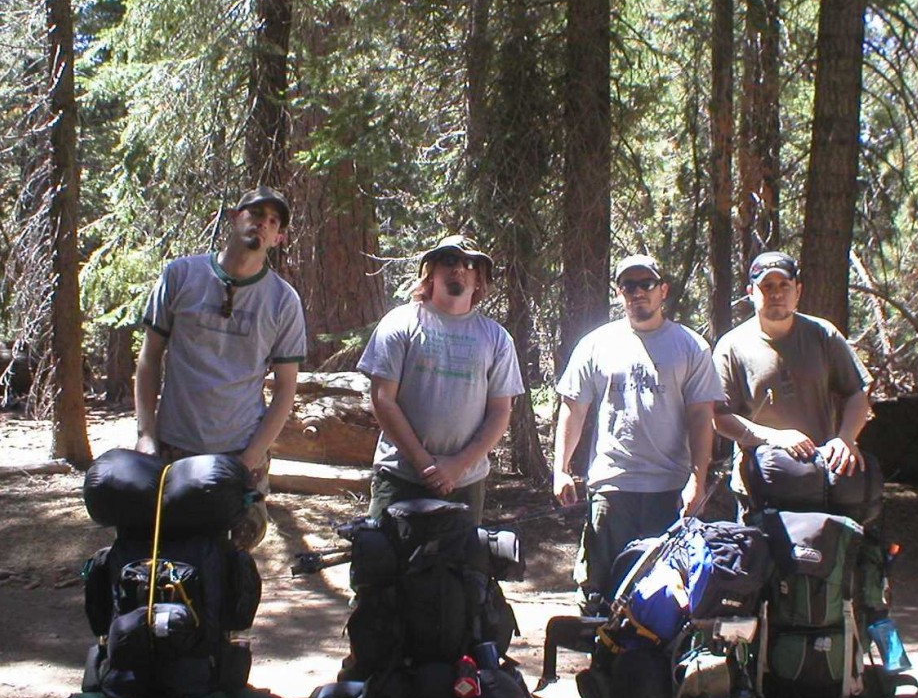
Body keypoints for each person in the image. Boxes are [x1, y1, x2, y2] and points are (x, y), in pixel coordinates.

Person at [134, 185, 307, 549]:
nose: (262, 225)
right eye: (255, 215)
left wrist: (250, 459)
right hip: (173, 447)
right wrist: (146, 434)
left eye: (272, 221)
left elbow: (286, 389)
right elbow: (149, 359)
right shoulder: (180, 276)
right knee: (165, 556)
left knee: (229, 561)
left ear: (279, 237)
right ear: (234, 218)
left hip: (238, 451)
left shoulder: (283, 301)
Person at [553, 254, 723, 613]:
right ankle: (600, 665)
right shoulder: (596, 344)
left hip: (670, 490)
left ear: (663, 290)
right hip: (612, 489)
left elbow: (701, 415)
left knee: (666, 595)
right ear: (619, 292)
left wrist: (698, 478)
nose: (638, 292)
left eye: (646, 284)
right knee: (600, 593)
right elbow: (573, 408)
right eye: (629, 285)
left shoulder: (691, 346)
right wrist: (561, 469)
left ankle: (658, 669)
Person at [357, 234, 524, 525]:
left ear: (479, 278)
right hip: (400, 477)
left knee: (458, 570)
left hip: (465, 483)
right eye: (449, 259)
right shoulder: (400, 323)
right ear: (431, 272)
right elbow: (383, 400)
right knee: (383, 565)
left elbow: (500, 411)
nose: (459, 267)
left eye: (470, 263)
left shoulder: (497, 338)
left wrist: (457, 466)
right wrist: (425, 465)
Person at [712, 250, 872, 512]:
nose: (776, 294)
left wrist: (846, 438)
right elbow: (719, 417)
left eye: (784, 285)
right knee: (762, 553)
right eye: (767, 286)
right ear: (751, 291)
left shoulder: (823, 334)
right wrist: (775, 438)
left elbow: (857, 393)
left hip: (824, 478)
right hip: (760, 484)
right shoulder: (731, 347)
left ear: (798, 291)